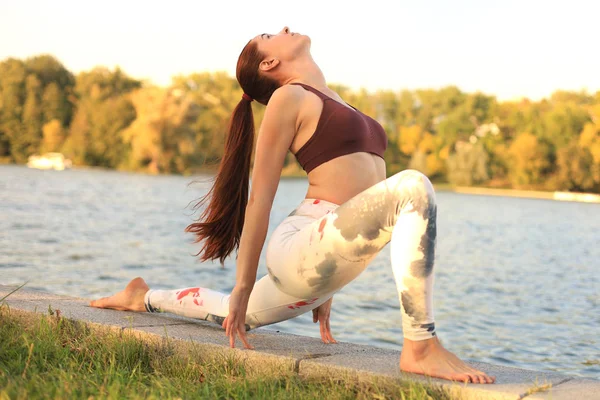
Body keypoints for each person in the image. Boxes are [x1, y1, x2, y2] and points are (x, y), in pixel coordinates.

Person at [91, 26, 495, 384]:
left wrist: (331, 274)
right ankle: (420, 347)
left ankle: (141, 296)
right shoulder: (289, 97)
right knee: (412, 186)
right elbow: (260, 200)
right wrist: (243, 286)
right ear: (269, 62)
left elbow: (356, 197)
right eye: (269, 35)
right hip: (299, 243)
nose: (283, 27)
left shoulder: (334, 98)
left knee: (238, 316)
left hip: (325, 249)